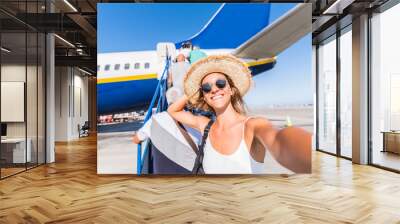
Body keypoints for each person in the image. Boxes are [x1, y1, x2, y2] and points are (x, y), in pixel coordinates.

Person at [167, 54, 311, 174]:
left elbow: (279, 141)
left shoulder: (252, 126)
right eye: (206, 87)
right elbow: (173, 111)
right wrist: (192, 92)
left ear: (231, 89)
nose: (214, 89)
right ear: (203, 95)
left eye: (221, 83)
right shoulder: (205, 126)